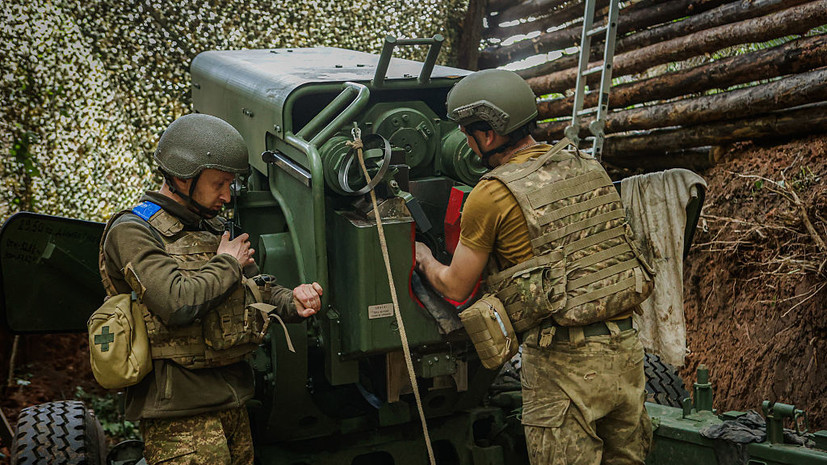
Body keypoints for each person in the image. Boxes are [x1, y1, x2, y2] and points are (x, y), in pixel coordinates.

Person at [415, 69, 653, 465]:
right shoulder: (588, 166)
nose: (466, 143)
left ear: (487, 135)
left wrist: (424, 259)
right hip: (626, 352)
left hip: (564, 364)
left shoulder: (491, 193)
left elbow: (456, 286)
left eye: (466, 132)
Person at [100, 113, 323, 465]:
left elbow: (257, 291)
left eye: (230, 185)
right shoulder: (132, 231)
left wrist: (292, 301)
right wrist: (228, 263)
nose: (227, 196)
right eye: (219, 184)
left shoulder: (215, 228)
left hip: (232, 401)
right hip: (178, 416)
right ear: (181, 176)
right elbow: (175, 302)